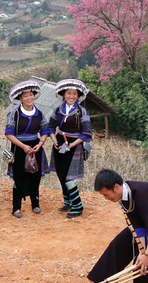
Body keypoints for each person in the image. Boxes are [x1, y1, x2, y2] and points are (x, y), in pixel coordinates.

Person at [47, 78, 93, 218]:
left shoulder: (81, 112)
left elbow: (87, 133)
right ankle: (68, 202)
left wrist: (73, 144)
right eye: (69, 93)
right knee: (61, 174)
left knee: (69, 176)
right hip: (60, 143)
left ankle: (78, 206)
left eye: (74, 94)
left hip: (75, 145)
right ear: (64, 95)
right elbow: (50, 128)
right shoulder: (58, 110)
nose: (71, 96)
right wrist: (55, 141)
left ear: (78, 95)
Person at [5, 80, 50, 217]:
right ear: (20, 98)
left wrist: (40, 143)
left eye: (31, 95)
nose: (29, 98)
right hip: (19, 148)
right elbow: (8, 133)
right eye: (26, 96)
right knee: (19, 177)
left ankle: (35, 203)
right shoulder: (15, 114)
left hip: (36, 147)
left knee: (35, 176)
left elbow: (45, 130)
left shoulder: (39, 113)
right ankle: (16, 207)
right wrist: (23, 146)